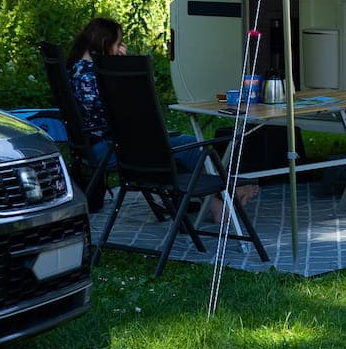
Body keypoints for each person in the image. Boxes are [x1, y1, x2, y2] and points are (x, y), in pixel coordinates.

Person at [67, 17, 258, 221]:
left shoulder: (77, 69)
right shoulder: (89, 77)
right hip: (113, 148)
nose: (122, 47)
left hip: (99, 146)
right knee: (192, 146)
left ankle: (217, 203)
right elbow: (126, 111)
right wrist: (120, 65)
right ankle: (225, 195)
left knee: (181, 148)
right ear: (104, 43)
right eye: (118, 43)